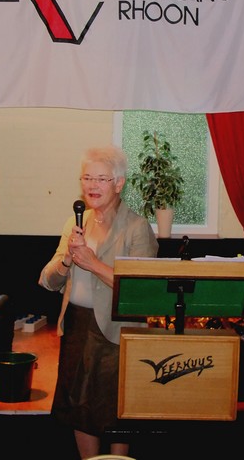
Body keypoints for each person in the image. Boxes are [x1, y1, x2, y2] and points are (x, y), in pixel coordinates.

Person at [39, 145, 158, 459]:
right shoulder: (74, 224)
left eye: (101, 179)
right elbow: (47, 281)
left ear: (119, 184)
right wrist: (67, 259)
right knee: (79, 408)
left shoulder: (137, 227)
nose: (92, 185)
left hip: (117, 331)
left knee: (114, 410)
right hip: (76, 325)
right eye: (87, 178)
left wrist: (92, 263)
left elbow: (141, 291)